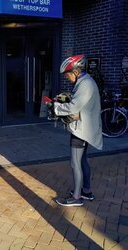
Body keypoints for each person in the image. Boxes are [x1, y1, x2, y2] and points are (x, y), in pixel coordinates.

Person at [54, 55, 103, 207]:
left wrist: (56, 107)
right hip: (85, 129)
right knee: (82, 161)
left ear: (75, 72)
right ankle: (86, 191)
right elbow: (78, 102)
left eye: (67, 75)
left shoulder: (85, 84)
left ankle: (76, 197)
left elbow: (74, 107)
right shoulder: (85, 81)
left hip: (81, 131)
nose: (67, 78)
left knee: (75, 163)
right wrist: (63, 99)